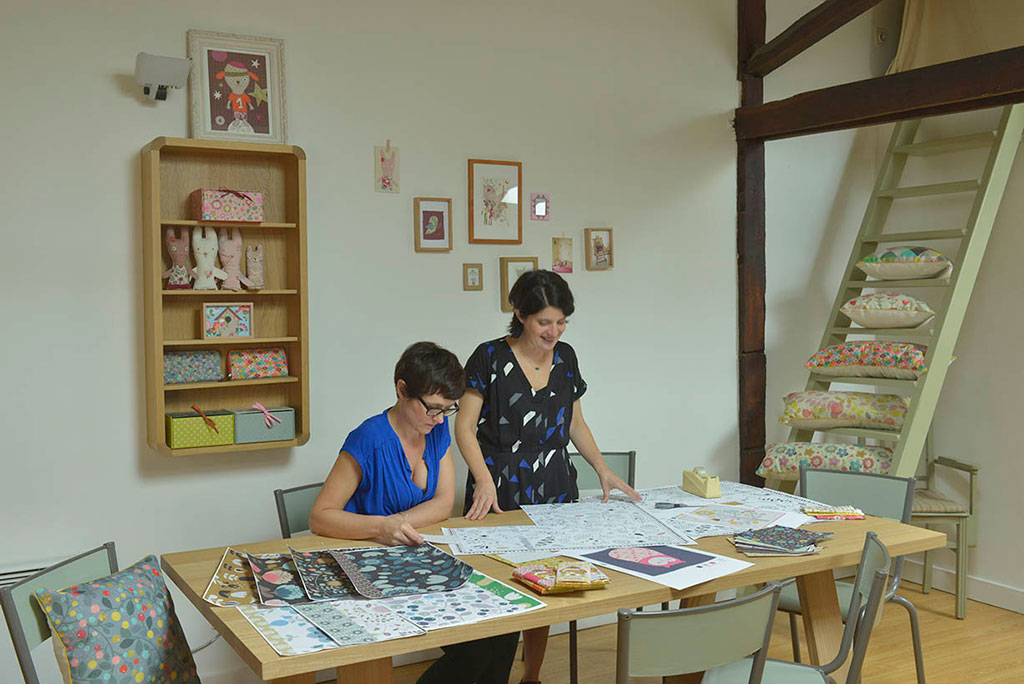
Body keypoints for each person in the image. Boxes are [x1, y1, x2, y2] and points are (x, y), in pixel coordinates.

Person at [454, 269, 641, 684]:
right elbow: (463, 427)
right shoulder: (488, 357)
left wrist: (603, 470)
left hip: (555, 485)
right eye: (544, 322)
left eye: (561, 322)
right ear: (519, 314)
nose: (553, 331)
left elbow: (575, 423)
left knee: (547, 585)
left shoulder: (566, 357)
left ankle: (532, 677)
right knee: (499, 585)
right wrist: (483, 479)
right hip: (499, 487)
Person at [310, 341, 518, 684]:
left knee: (507, 625)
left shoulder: (436, 432)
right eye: (432, 408)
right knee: (477, 651)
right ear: (402, 390)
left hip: (412, 561)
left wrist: (400, 525)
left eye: (447, 410)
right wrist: (382, 527)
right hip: (368, 567)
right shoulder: (369, 438)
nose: (439, 419)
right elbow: (320, 517)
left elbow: (443, 502)